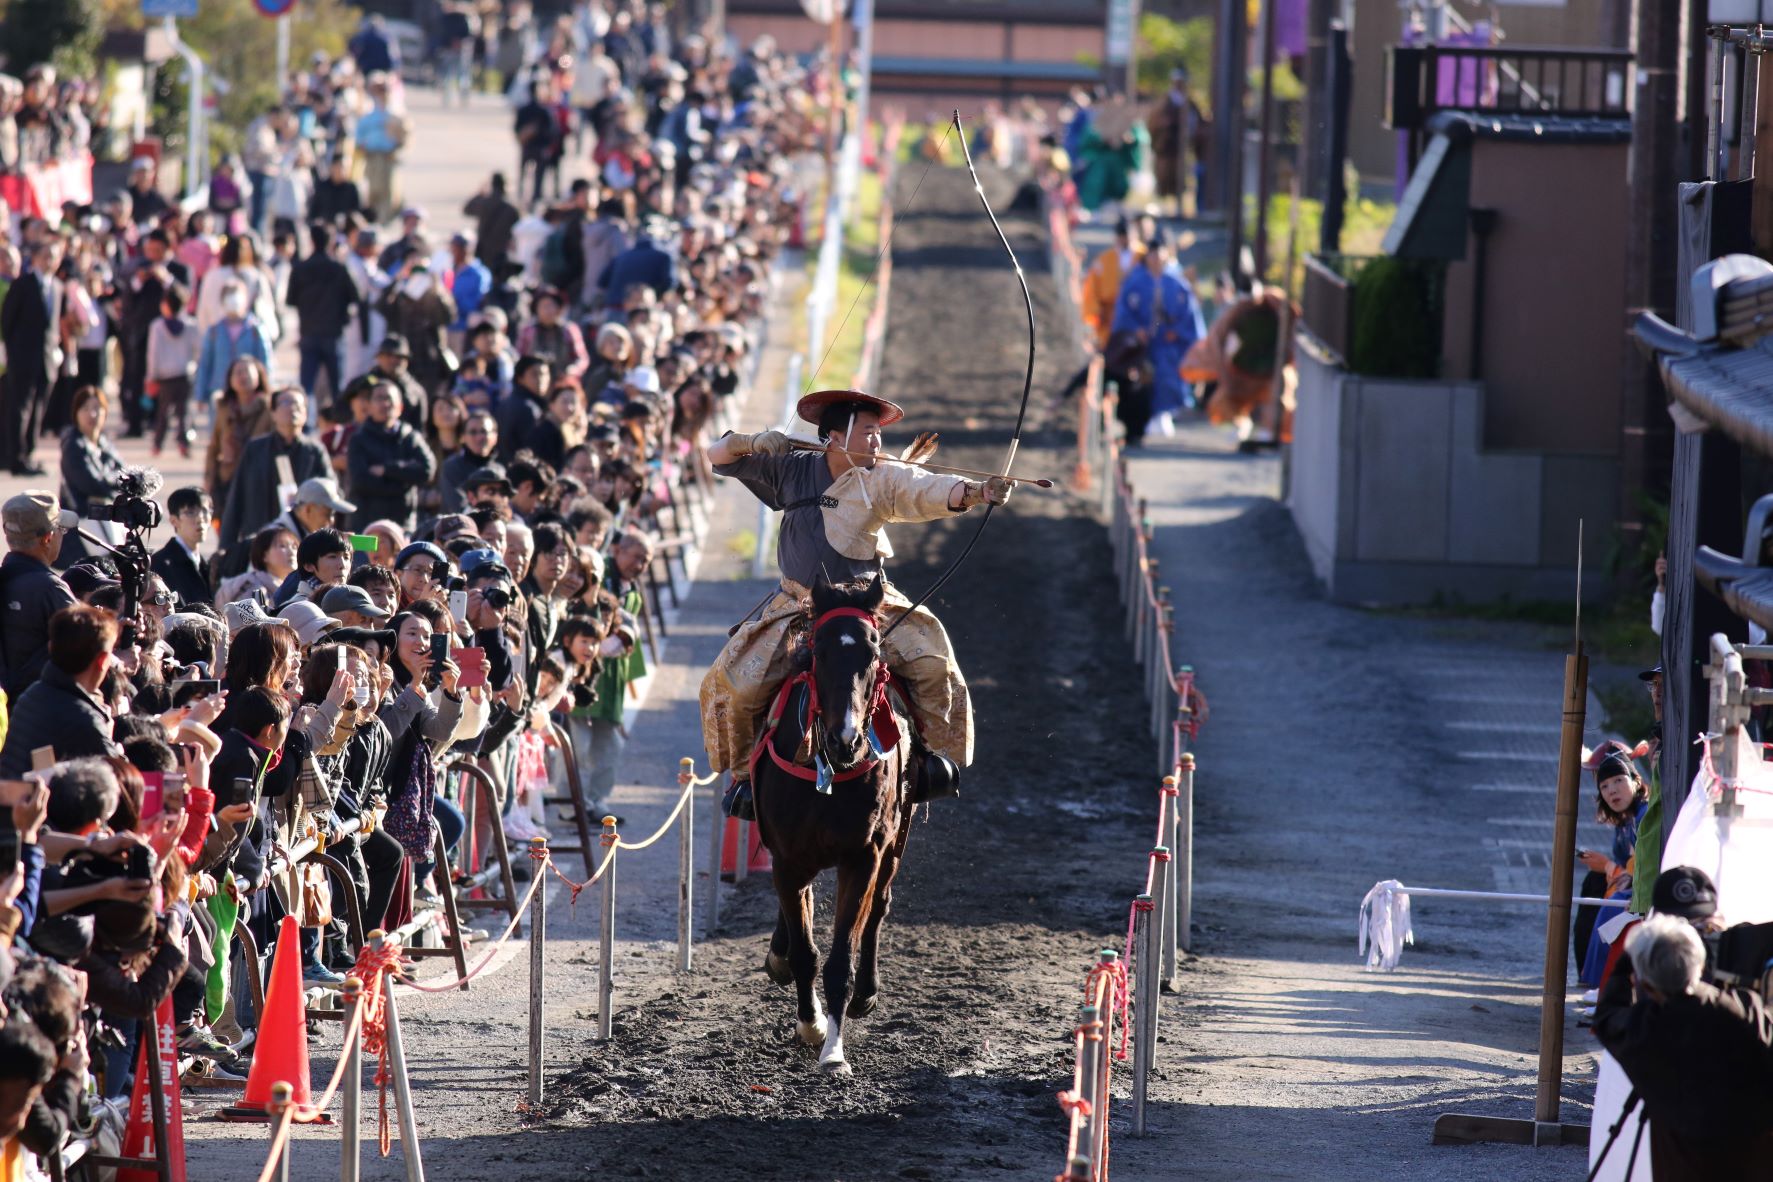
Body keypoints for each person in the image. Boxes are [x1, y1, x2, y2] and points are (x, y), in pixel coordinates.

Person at [702, 390, 1010, 820]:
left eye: (879, 434)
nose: (877, 443)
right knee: (732, 685)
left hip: (866, 604)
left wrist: (975, 492)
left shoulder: (881, 478)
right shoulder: (791, 469)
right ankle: (743, 781)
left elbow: (924, 489)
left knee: (934, 663)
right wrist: (750, 442)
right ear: (833, 436)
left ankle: (932, 762)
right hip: (796, 605)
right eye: (868, 433)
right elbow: (716, 453)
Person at [1593, 915, 1773, 1179]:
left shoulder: (1643, 1032)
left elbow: (1607, 1016)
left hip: (1680, 1170)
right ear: (1699, 964)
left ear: (1645, 983)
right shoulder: (1747, 1014)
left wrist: (1634, 951)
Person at [0, 604, 121, 776]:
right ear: (102, 660)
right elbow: (124, 787)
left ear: (51, 647)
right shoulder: (85, 721)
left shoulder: (33, 694)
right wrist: (107, 735)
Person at [1108, 233, 1204, 446]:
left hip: (1169, 343)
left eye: (1159, 255)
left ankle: (1164, 414)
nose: (1155, 259)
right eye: (1151, 254)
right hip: (1141, 343)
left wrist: (1176, 331)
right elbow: (1123, 312)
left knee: (1168, 374)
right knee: (1140, 379)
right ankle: (1145, 418)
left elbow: (1189, 315)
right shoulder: (1135, 281)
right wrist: (1135, 329)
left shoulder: (1177, 283)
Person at [218, 387, 332, 564]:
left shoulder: (315, 451)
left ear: (305, 414)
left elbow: (331, 494)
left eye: (297, 404)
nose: (291, 408)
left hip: (302, 547)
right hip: (259, 543)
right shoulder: (255, 449)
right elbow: (236, 500)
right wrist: (225, 547)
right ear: (273, 413)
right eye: (285, 403)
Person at [0, 491, 77, 699]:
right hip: (41, 718)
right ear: (48, 538)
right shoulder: (51, 590)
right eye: (61, 529)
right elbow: (84, 656)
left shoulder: (6, 578)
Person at [0, 238, 64, 476]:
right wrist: (11, 350)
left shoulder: (56, 287)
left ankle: (30, 453)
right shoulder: (23, 284)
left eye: (55, 256)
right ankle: (16, 457)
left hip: (46, 359)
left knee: (39, 409)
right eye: (46, 256)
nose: (51, 261)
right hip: (23, 357)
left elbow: (53, 325)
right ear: (35, 258)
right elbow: (8, 320)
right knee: (20, 408)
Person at [286, 224, 359, 409]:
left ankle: (307, 424)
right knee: (337, 387)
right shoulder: (338, 269)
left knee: (306, 387)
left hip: (309, 331)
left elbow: (291, 300)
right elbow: (354, 298)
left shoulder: (301, 268)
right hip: (333, 333)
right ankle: (339, 424)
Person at [347, 383, 437, 531]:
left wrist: (388, 470)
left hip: (404, 526)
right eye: (379, 398)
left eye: (389, 398)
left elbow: (427, 470)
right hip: (366, 525)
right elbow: (360, 481)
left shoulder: (410, 437)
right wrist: (404, 483)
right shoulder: (358, 439)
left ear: (400, 407)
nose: (384, 404)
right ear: (369, 406)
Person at [56, 387, 126, 567]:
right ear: (76, 413)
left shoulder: (104, 443)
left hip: (107, 514)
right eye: (85, 409)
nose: (91, 414)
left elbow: (123, 474)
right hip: (83, 517)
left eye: (97, 408)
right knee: (108, 566)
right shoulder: (73, 445)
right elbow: (91, 484)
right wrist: (113, 483)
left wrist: (113, 483)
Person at [203, 357, 274, 498]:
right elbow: (214, 447)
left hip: (259, 480)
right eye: (237, 373)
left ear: (258, 376)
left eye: (247, 372)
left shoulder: (270, 409)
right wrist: (209, 478)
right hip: (228, 478)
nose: (242, 376)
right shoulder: (224, 409)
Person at [145, 282, 198, 458]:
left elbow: (153, 353)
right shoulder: (191, 325)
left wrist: (152, 375)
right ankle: (183, 442)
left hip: (165, 376)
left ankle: (158, 444)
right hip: (184, 373)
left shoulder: (157, 326)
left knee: (163, 412)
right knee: (184, 412)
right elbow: (197, 350)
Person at [151, 486, 214, 610]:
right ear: (174, 521)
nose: (200, 519)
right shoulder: (161, 564)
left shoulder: (205, 564)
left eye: (205, 511)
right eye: (190, 512)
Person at [215, 524, 298, 608]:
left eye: (294, 546)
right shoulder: (252, 589)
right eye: (282, 546)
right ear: (264, 555)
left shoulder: (292, 587)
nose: (292, 552)